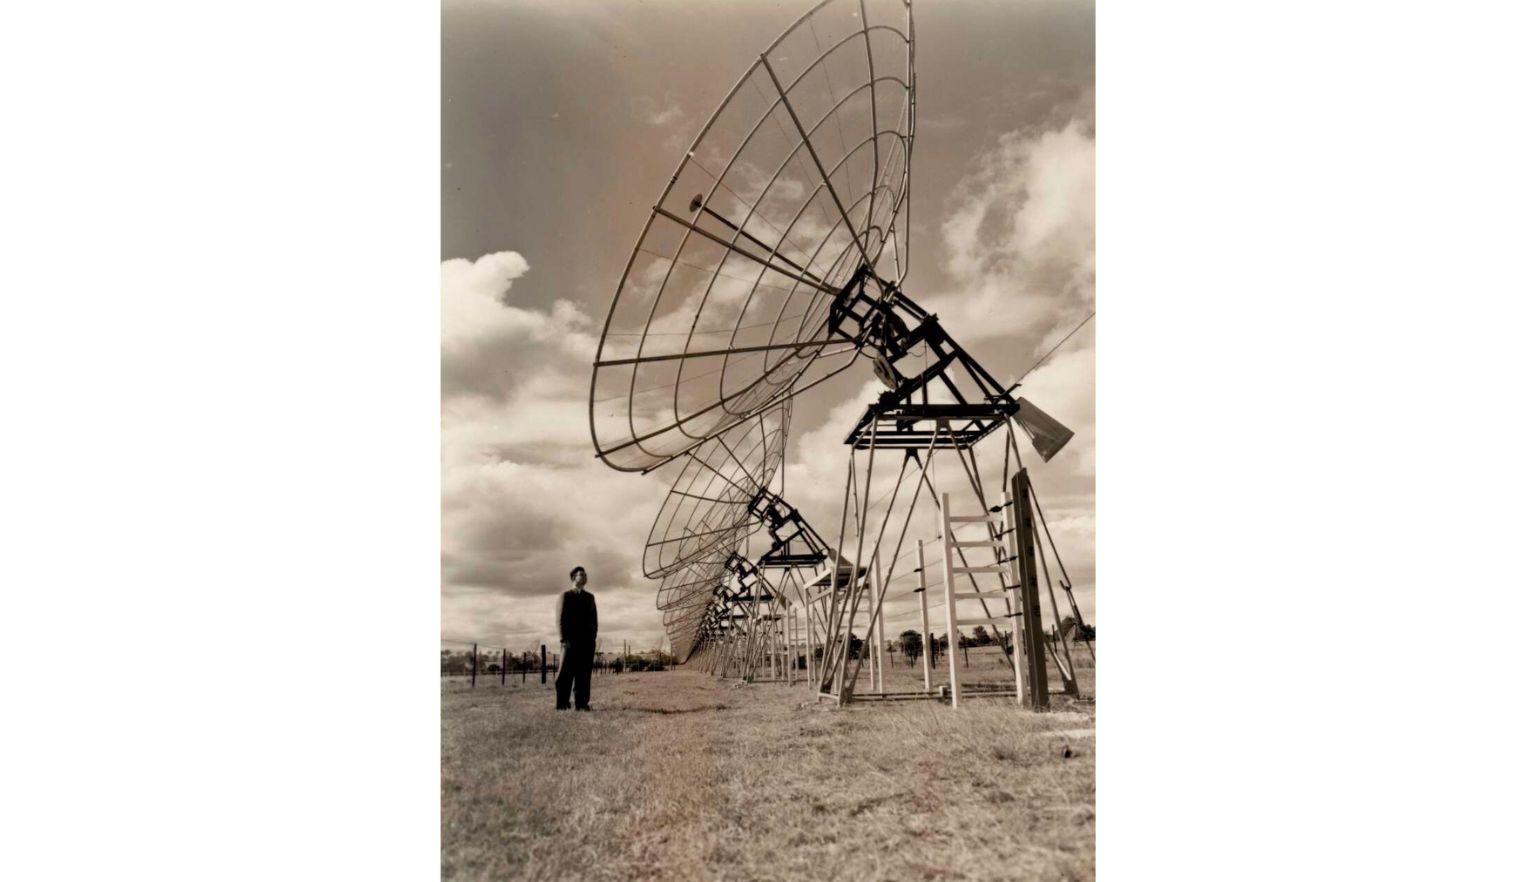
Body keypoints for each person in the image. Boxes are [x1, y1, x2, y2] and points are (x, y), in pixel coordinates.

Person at [554, 565, 598, 711]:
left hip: (586, 644)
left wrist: (592, 640)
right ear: (574, 578)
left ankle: (582, 704)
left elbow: (594, 621)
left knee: (583, 675)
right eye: (581, 575)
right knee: (565, 674)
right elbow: (560, 619)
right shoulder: (566, 596)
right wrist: (563, 639)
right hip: (569, 642)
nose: (584, 577)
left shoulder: (590, 598)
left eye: (586, 575)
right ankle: (562, 704)